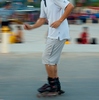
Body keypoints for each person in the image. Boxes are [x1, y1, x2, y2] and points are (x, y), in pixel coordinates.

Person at [24, 0, 74, 94]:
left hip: (58, 33)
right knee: (52, 61)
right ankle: (56, 85)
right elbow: (42, 19)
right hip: (53, 34)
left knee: (47, 59)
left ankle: (52, 86)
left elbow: (70, 6)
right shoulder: (44, 2)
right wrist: (32, 27)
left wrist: (59, 21)